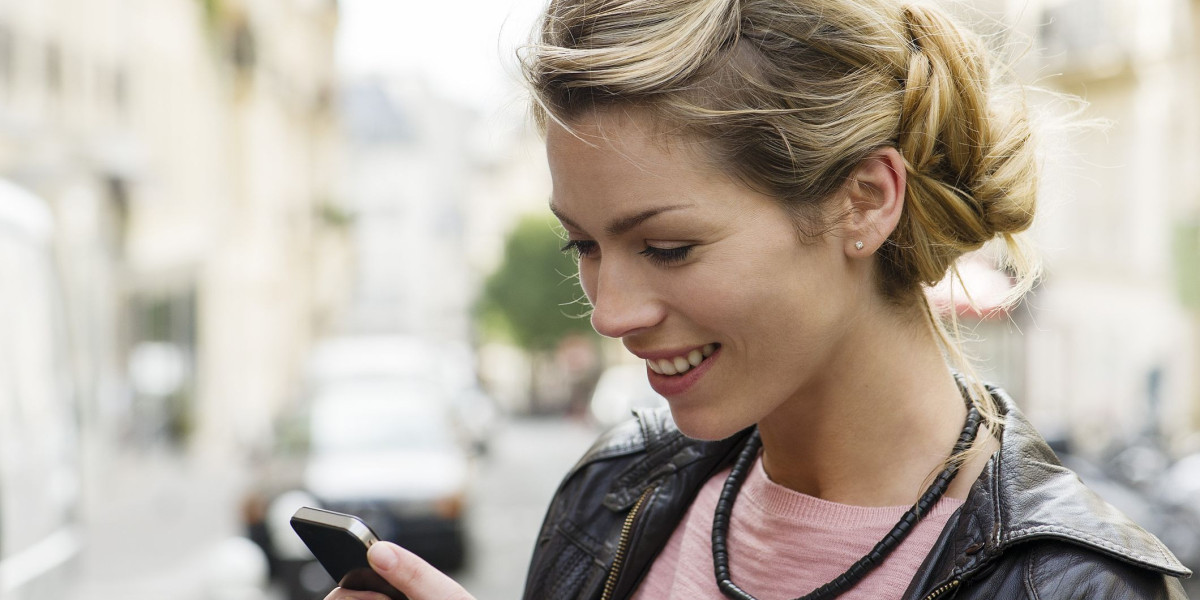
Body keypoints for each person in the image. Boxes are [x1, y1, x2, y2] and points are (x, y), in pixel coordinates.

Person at [326, 0, 1193, 598]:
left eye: (668, 247)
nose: (612, 312)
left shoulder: (1073, 588)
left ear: (865, 199)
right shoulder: (615, 490)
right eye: (583, 245)